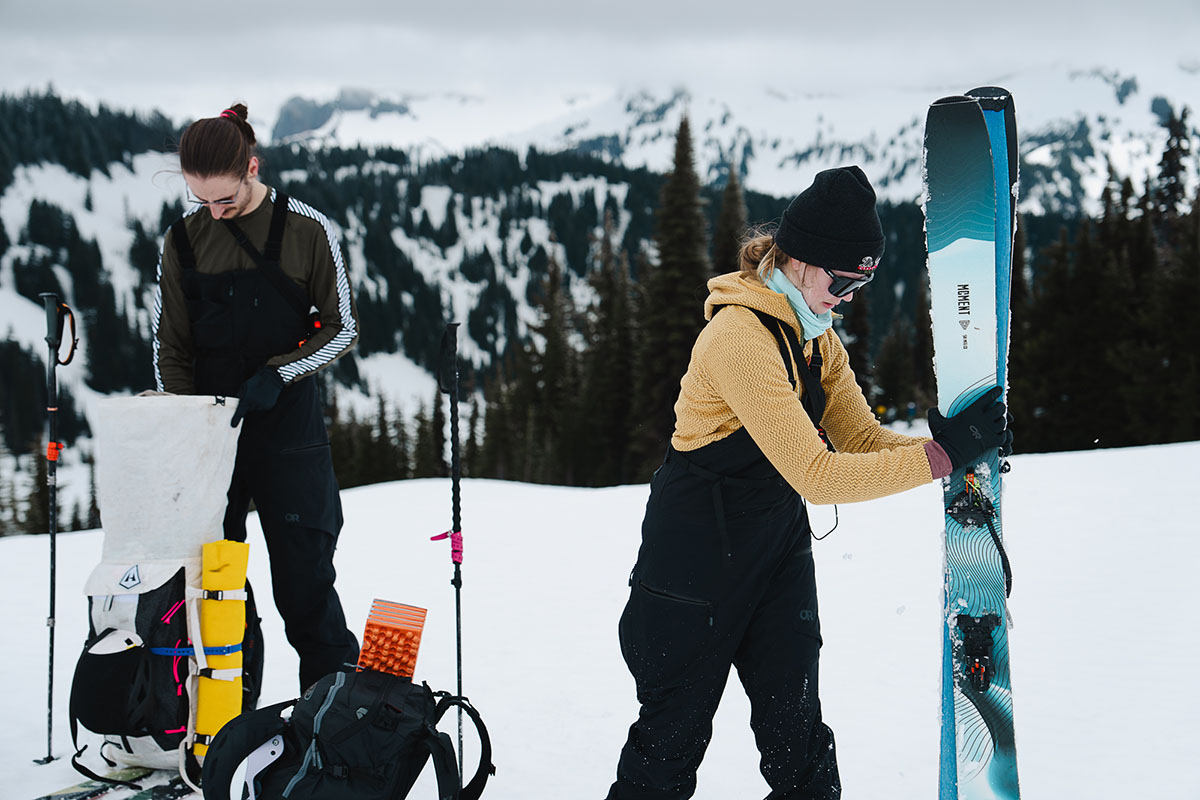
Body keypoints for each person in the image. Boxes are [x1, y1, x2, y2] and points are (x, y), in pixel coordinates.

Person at [606, 166, 1010, 799]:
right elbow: (817, 473)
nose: (847, 296)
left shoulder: (817, 340)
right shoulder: (738, 337)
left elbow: (862, 439)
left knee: (799, 741)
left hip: (773, 555)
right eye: (842, 279)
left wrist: (950, 450)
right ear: (796, 259)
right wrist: (937, 458)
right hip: (694, 569)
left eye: (861, 283)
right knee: (668, 749)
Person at [152, 104, 361, 691]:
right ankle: (225, 727)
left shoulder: (305, 229)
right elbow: (171, 344)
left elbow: (341, 327)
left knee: (306, 587)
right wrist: (187, 420)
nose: (215, 213)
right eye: (202, 202)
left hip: (289, 432)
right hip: (211, 441)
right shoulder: (183, 240)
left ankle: (331, 725)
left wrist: (280, 373)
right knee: (217, 592)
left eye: (226, 199)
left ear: (251, 167)